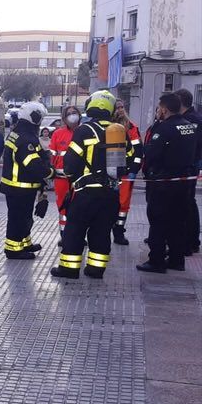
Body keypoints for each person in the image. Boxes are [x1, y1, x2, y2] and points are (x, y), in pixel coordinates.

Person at [50, 90, 125, 280]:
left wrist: (71, 175)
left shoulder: (84, 130)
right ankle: (95, 269)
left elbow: (71, 163)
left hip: (86, 194)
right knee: (101, 231)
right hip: (111, 192)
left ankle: (69, 269)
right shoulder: (118, 131)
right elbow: (130, 162)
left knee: (75, 229)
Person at [137, 92, 198, 272]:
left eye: (159, 108)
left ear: (164, 109)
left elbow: (152, 154)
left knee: (158, 222)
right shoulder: (189, 126)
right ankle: (176, 260)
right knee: (178, 222)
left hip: (163, 182)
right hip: (184, 181)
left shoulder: (164, 129)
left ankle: (156, 260)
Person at [1, 102, 53, 259]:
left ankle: (24, 243)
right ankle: (13, 250)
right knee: (18, 218)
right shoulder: (26, 138)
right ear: (34, 118)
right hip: (19, 187)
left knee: (24, 217)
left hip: (19, 186)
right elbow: (32, 164)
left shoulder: (20, 133)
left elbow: (39, 154)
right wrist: (50, 172)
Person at [174, 88, 201, 255]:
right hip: (190, 165)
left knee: (187, 204)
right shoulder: (191, 118)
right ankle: (189, 240)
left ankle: (190, 241)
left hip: (189, 166)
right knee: (188, 203)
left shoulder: (191, 120)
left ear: (180, 101)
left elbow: (191, 146)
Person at [112, 100, 143, 245]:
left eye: (122, 107)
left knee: (123, 205)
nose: (120, 110)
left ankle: (119, 231)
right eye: (117, 107)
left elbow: (138, 151)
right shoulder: (106, 127)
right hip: (108, 173)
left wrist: (134, 171)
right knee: (107, 203)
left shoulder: (131, 127)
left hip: (126, 172)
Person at [48, 106, 81, 241]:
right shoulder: (58, 134)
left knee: (79, 207)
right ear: (64, 118)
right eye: (69, 114)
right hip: (61, 178)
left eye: (74, 113)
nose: (72, 116)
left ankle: (78, 235)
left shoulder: (85, 132)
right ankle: (64, 235)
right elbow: (52, 155)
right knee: (62, 207)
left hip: (80, 178)